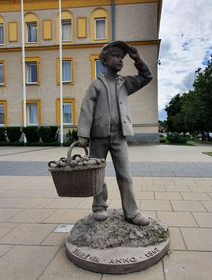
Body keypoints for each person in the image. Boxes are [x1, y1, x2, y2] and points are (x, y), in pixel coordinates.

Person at [77, 41, 152, 226]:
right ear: (105, 59)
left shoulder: (124, 83)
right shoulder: (96, 84)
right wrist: (83, 135)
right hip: (98, 136)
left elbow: (147, 76)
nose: (120, 60)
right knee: (98, 174)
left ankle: (132, 212)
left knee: (125, 174)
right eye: (116, 56)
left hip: (119, 136)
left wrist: (137, 59)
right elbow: (87, 107)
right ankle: (99, 207)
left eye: (121, 57)